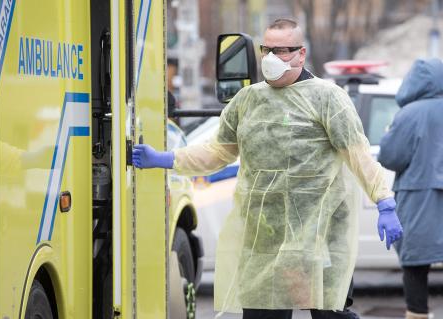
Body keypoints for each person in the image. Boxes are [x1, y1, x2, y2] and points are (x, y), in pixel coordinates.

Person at [133, 18, 403, 319]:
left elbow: (358, 155)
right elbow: (217, 151)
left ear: (301, 54)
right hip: (265, 234)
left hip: (319, 233)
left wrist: (384, 201)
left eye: (283, 51)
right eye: (267, 50)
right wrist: (166, 159)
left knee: (330, 314)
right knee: (263, 313)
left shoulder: (328, 99)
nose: (273, 58)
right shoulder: (247, 101)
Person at [378, 58, 443, 319]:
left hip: (419, 202)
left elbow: (391, 157)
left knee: (415, 266)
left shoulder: (409, 114)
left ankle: (418, 314)